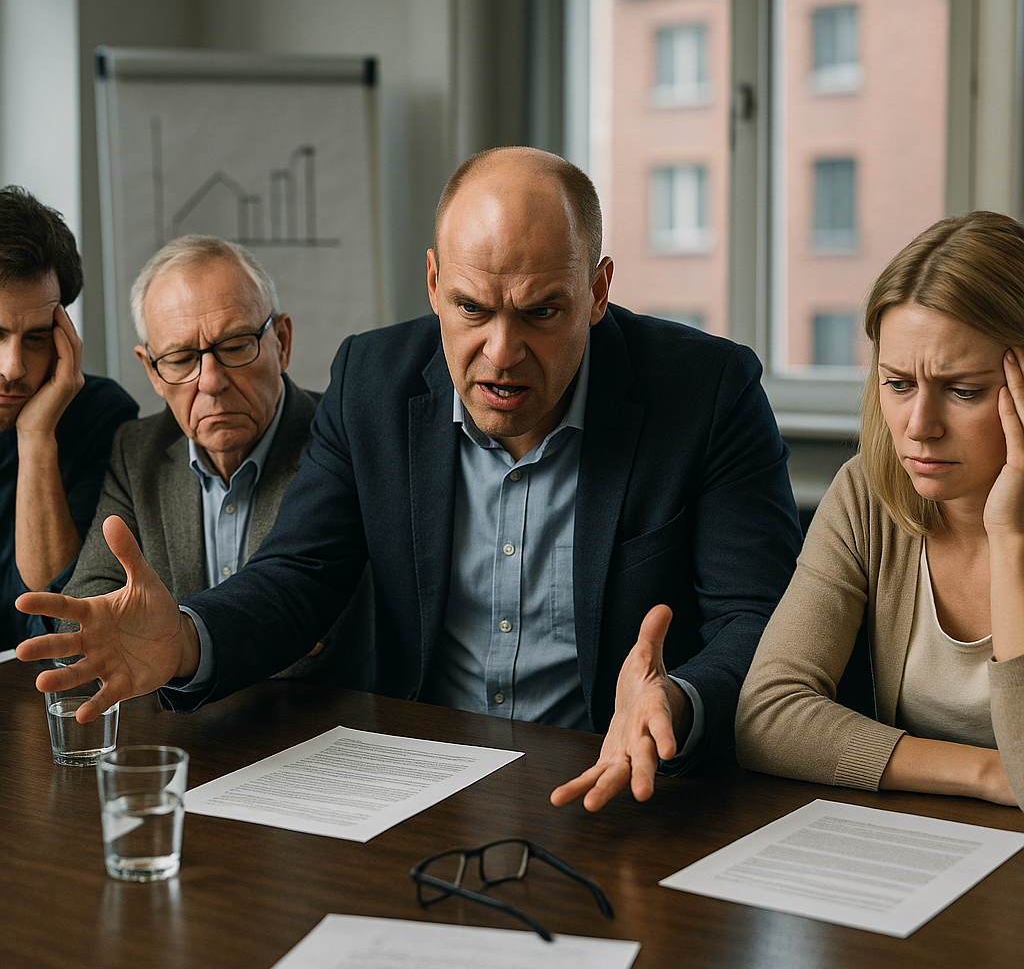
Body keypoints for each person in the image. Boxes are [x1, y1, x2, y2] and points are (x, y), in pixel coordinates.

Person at [17, 147, 801, 809]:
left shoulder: (706, 393)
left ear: (597, 292)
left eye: (540, 313)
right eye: (471, 308)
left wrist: (677, 700)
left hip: (624, 786)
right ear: (433, 284)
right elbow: (299, 576)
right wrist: (188, 637)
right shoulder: (373, 380)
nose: (500, 352)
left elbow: (757, 618)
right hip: (419, 789)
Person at [735, 210, 1024, 812]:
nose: (919, 428)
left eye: (962, 390)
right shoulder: (869, 495)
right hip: (925, 848)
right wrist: (984, 773)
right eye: (897, 384)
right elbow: (768, 715)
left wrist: (1010, 536)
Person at [58, 235, 369, 682]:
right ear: (152, 371)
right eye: (182, 358)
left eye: (237, 344)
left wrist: (176, 642)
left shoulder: (345, 441)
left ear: (281, 341)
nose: (212, 381)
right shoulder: (137, 450)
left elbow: (333, 639)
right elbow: (82, 619)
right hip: (192, 739)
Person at [0, 186, 137, 648]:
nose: (13, 369)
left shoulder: (100, 418)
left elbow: (55, 616)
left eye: (37, 338)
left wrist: (37, 436)